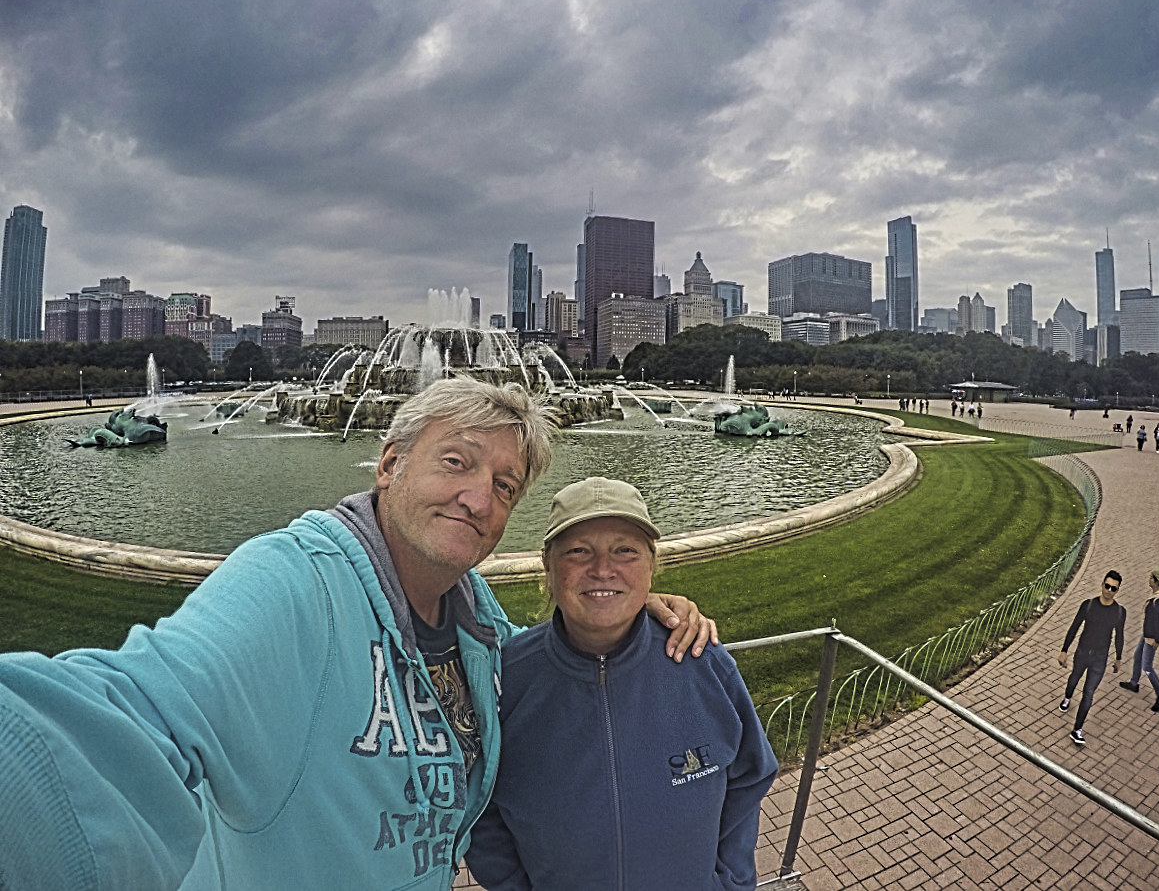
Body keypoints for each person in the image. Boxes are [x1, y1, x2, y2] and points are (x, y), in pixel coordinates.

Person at [0, 378, 718, 891]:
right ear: (388, 462)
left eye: (504, 485)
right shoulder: (294, 580)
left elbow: (542, 670)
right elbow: (132, 716)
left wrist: (622, 609)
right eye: (457, 460)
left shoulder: (473, 613)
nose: (479, 497)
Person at [466, 478, 777, 891]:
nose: (602, 569)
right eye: (578, 551)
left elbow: (750, 776)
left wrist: (732, 882)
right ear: (548, 563)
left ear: (651, 565)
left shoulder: (704, 665)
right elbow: (478, 806)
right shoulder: (505, 680)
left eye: (624, 550)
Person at [1058, 571, 1126, 746]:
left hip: (1100, 658)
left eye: (1114, 588)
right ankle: (1067, 697)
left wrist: (1118, 657)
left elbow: (1119, 636)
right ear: (1102, 584)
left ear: (1117, 590)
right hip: (1082, 653)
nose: (1109, 590)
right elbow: (1074, 628)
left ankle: (1077, 730)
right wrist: (1064, 650)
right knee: (1074, 679)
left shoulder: (1119, 612)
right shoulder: (1088, 606)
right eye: (1107, 586)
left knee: (1088, 694)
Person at [1120, 567, 1159, 712]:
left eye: (1151, 578)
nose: (1149, 579)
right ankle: (1134, 683)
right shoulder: (1158, 596)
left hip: (1152, 639)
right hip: (1147, 635)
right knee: (1137, 656)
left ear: (1156, 581)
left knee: (1147, 667)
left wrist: (1158, 640)